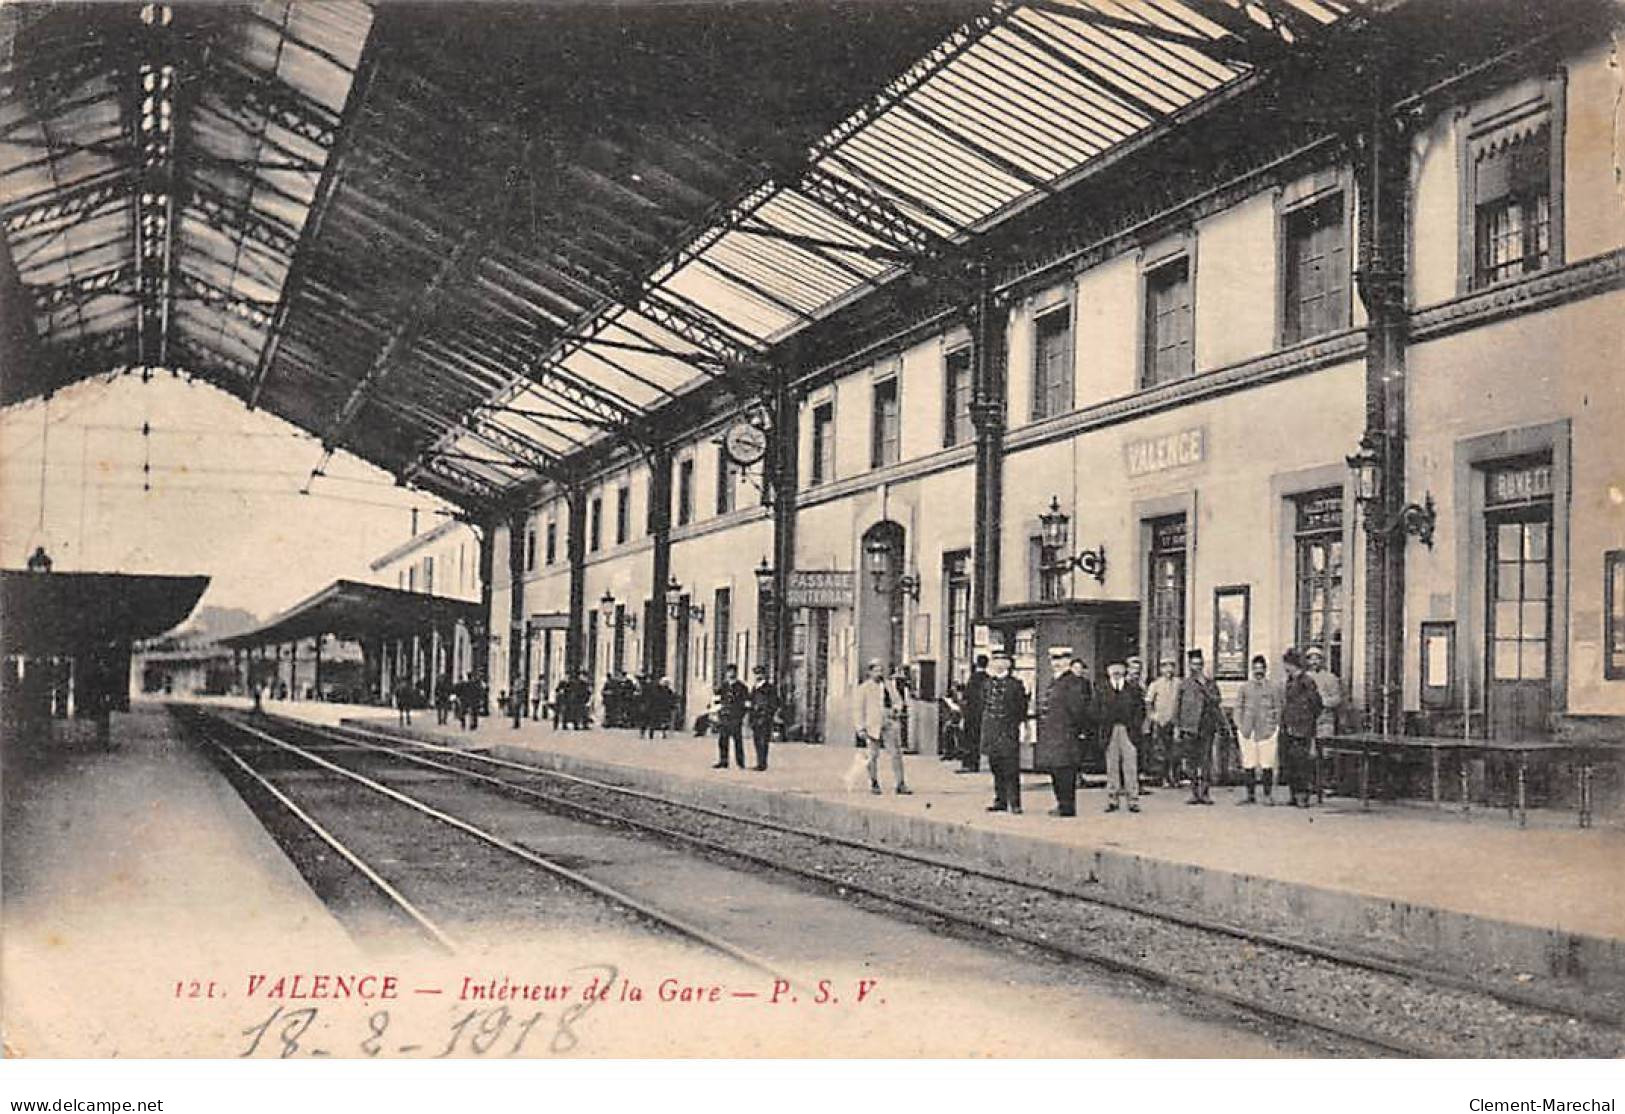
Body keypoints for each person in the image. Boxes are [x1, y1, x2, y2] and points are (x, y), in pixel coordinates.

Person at [1036, 647, 1091, 817]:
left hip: (1066, 733)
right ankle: (1061, 804)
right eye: (1054, 660)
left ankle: (1067, 806)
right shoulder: (1055, 681)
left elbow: (1078, 709)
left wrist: (1077, 730)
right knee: (1056, 770)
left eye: (1062, 659)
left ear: (1069, 662)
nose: (1057, 663)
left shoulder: (1072, 682)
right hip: (1053, 734)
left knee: (1065, 771)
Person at [980, 649, 1029, 814]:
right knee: (996, 766)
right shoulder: (988, 684)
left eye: (1002, 660)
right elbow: (984, 706)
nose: (998, 664)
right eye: (995, 660)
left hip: (1008, 731)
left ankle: (1015, 803)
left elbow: (1022, 708)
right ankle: (1000, 800)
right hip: (992, 731)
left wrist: (1022, 726)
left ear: (1008, 664)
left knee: (1011, 767)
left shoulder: (1015, 685)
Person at [1096, 660, 1146, 812]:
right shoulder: (1101, 689)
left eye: (1119, 668)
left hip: (1128, 730)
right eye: (1113, 668)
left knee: (1130, 765)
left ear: (1124, 670)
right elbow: (1094, 709)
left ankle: (1133, 800)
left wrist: (1135, 725)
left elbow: (1140, 710)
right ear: (1108, 670)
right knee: (1112, 766)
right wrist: (1103, 721)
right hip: (1110, 730)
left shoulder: (1133, 690)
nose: (1116, 671)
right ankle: (1113, 799)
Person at [855, 660, 911, 795]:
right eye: (876, 670)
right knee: (872, 755)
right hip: (872, 724)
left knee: (896, 754)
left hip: (888, 722)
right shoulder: (864, 688)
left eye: (880, 670)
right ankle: (874, 782)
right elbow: (858, 709)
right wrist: (860, 728)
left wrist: (896, 709)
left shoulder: (888, 686)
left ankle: (900, 783)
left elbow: (898, 701)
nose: (879, 673)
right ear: (869, 672)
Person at [1234, 654, 1283, 805]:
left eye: (1261, 669)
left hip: (1266, 730)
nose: (1258, 673)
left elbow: (1278, 708)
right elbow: (1238, 707)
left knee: (1267, 763)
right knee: (1249, 763)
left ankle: (1267, 795)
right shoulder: (1245, 688)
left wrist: (1274, 727)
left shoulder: (1273, 688)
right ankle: (1250, 795)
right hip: (1248, 730)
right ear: (1251, 670)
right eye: (1255, 669)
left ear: (1265, 670)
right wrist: (1240, 725)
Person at [1175, 648, 1221, 804]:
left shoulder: (1210, 683)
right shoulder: (1184, 684)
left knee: (1206, 760)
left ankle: (1205, 792)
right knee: (1191, 761)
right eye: (1193, 665)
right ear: (1189, 666)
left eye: (1199, 664)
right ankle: (1194, 792)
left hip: (1206, 726)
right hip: (1189, 727)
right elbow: (1178, 706)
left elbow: (1216, 700)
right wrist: (1177, 727)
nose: (1196, 668)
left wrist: (1205, 687)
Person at [1281, 647, 1324, 808]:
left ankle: (1303, 795)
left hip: (1302, 728)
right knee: (1291, 762)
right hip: (1289, 727)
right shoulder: (1290, 681)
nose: (1285, 668)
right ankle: (1294, 794)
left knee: (1301, 763)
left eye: (1286, 664)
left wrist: (1306, 721)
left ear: (1292, 664)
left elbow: (1317, 704)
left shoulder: (1307, 681)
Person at [1305, 646, 1344, 800]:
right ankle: (1312, 784)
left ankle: (1327, 784)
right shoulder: (1304, 678)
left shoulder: (1330, 678)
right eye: (1311, 658)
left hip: (1324, 719)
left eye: (1317, 658)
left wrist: (1322, 702)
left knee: (1326, 753)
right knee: (1311, 753)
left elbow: (1337, 698)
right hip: (1308, 721)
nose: (1314, 661)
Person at [1144, 657, 1180, 788]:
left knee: (1176, 751)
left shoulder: (1178, 683)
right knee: (1162, 751)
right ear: (1161, 669)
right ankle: (1164, 777)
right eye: (1165, 667)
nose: (1168, 670)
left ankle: (1175, 778)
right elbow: (1148, 702)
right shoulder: (1155, 684)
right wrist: (1153, 716)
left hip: (1175, 722)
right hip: (1161, 721)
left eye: (1171, 667)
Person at [712, 666, 750, 769]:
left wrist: (741, 715)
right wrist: (717, 713)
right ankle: (723, 761)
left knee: (737, 740)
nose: (730, 674)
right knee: (723, 740)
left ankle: (740, 762)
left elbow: (746, 703)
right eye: (729, 672)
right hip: (724, 717)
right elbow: (716, 701)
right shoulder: (723, 686)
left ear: (736, 673)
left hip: (735, 717)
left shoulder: (742, 687)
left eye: (732, 672)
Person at [958, 654, 989, 773]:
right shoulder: (988, 678)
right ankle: (976, 763)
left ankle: (969, 764)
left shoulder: (973, 678)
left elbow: (966, 697)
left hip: (971, 714)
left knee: (969, 739)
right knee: (977, 738)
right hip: (982, 714)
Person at [747, 666, 778, 771]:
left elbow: (773, 703)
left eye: (760, 673)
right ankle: (759, 762)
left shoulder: (769, 688)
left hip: (764, 718)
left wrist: (767, 714)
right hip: (755, 718)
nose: (757, 676)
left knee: (763, 741)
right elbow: (751, 702)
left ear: (764, 675)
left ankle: (762, 763)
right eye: (756, 674)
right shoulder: (754, 688)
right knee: (756, 741)